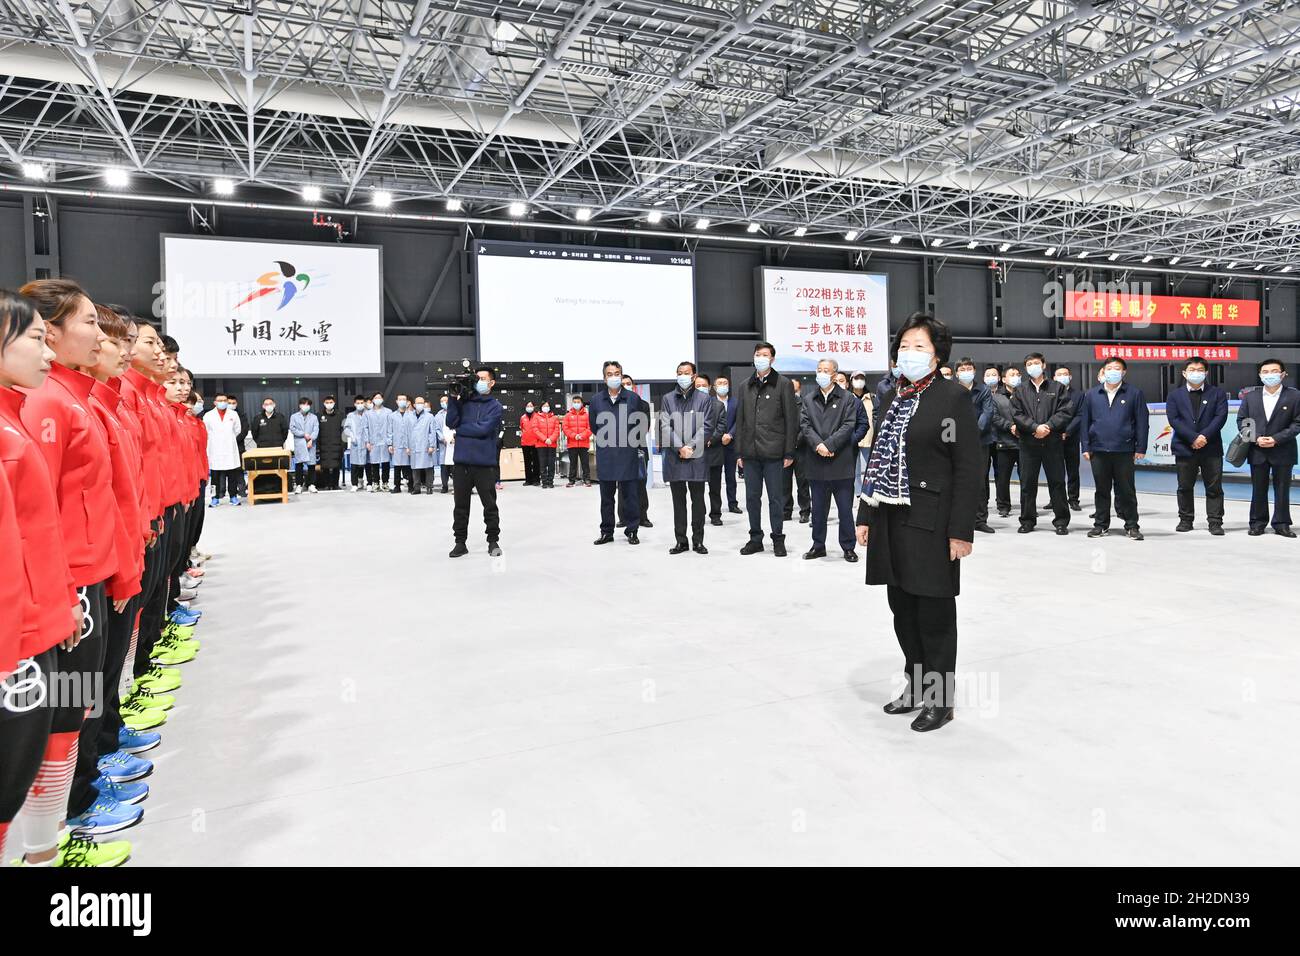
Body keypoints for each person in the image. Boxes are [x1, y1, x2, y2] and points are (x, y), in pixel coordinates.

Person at [16, 280, 137, 849]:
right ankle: (67, 816)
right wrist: (61, 590)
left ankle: (80, 792)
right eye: (88, 322)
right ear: (52, 330)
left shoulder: (73, 399)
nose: (99, 334)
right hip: (68, 585)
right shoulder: (45, 403)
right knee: (68, 701)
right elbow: (34, 517)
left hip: (87, 574)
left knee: (82, 693)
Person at [855, 312, 980, 734]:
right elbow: (877, 459)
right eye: (904, 346)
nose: (910, 353)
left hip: (932, 520)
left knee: (934, 613)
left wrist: (961, 530)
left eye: (920, 347)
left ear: (937, 354)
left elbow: (968, 468)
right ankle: (915, 685)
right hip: (890, 515)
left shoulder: (952, 398)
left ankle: (941, 701)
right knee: (902, 609)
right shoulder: (893, 396)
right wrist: (865, 514)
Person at [734, 341, 798, 556]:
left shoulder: (783, 384)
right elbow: (740, 420)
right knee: (752, 498)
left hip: (774, 453)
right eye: (757, 354)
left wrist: (789, 451)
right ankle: (755, 538)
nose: (760, 358)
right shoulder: (745, 386)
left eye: (765, 355)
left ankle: (778, 538)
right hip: (750, 454)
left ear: (772, 359)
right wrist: (739, 452)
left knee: (775, 498)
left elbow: (791, 420)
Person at [801, 358, 869, 562]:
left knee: (845, 510)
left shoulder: (848, 399)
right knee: (819, 509)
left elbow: (849, 425)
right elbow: (805, 426)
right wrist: (818, 446)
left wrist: (830, 445)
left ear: (834, 373)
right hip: (816, 460)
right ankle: (818, 545)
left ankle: (848, 547)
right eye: (819, 369)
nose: (821, 373)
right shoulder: (808, 398)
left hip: (841, 460)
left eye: (826, 370)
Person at [1079, 357, 1148, 540]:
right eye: (1109, 368)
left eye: (1117, 368)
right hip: (1098, 450)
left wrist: (1140, 447)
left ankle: (1132, 525)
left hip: (1124, 450)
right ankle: (1100, 525)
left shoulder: (1134, 393)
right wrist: (1085, 446)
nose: (1113, 371)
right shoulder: (1092, 394)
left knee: (1126, 490)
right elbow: (1084, 422)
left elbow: (1142, 422)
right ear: (1103, 371)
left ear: (1124, 372)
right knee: (1101, 490)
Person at [659, 362, 719, 554]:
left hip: (697, 456)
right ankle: (681, 541)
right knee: (678, 501)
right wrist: (679, 447)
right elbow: (665, 426)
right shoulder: (668, 398)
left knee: (698, 500)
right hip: (676, 457)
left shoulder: (704, 399)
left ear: (694, 376)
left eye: (686, 373)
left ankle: (698, 540)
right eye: (679, 373)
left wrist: (691, 446)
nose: (682, 376)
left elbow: (708, 426)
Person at [1010, 352, 1072, 534]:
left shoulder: (1058, 387)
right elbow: (1016, 414)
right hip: (1028, 444)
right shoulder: (1020, 390)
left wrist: (1048, 427)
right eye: (1029, 363)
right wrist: (1034, 428)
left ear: (1044, 365)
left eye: (1036, 363)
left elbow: (1065, 411)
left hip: (1052, 443)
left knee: (1057, 483)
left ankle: (1061, 521)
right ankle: (1028, 520)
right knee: (1028, 484)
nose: (1033, 366)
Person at [1237, 359, 1300, 537]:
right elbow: (1242, 420)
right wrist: (1256, 439)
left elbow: (1297, 423)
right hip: (1257, 450)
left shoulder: (1294, 396)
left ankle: (1282, 524)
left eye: (1273, 371)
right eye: (1265, 372)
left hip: (1283, 449)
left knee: (1282, 488)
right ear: (1260, 375)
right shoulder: (1250, 397)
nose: (1269, 375)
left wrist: (1276, 439)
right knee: (1258, 488)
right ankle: (1257, 522)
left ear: (1282, 374)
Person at [446, 368, 504, 557]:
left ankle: (493, 541)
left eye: (483, 378)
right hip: (462, 463)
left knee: (489, 505)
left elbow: (483, 430)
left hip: (484, 464)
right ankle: (460, 542)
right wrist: (453, 399)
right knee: (460, 506)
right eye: (477, 378)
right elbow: (451, 422)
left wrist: (461, 430)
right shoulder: (463, 403)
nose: (479, 381)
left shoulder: (495, 406)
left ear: (491, 383)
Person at [1166, 357, 1227, 534]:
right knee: (1184, 486)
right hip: (1185, 447)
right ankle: (1185, 520)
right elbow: (1174, 420)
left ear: (1206, 373)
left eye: (1200, 370)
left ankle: (1215, 522)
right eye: (1192, 370)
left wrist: (1204, 436)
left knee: (1214, 487)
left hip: (1211, 447)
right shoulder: (1174, 395)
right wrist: (1193, 438)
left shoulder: (1217, 393)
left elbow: (1220, 417)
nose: (1196, 373)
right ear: (1184, 373)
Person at [591, 361, 650, 545]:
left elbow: (641, 425)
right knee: (606, 498)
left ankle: (632, 530)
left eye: (617, 373)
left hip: (628, 454)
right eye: (610, 374)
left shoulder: (633, 399)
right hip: (606, 455)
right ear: (604, 377)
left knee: (630, 496)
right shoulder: (596, 401)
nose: (614, 377)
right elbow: (594, 426)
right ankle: (606, 531)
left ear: (621, 375)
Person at [954, 357, 996, 534]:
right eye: (962, 369)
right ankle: (958, 519)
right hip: (955, 442)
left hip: (980, 441)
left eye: (969, 368)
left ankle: (980, 519)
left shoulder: (983, 390)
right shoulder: (951, 390)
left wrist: (972, 434)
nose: (966, 372)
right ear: (956, 373)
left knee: (979, 481)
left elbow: (987, 413)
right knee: (956, 481)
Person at [615, 373, 653, 528]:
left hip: (639, 449)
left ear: (633, 385)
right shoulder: (615, 404)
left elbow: (644, 427)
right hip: (620, 451)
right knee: (622, 485)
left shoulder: (642, 404)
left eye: (628, 383)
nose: (626, 385)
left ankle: (643, 516)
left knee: (640, 485)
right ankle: (623, 518)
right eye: (623, 383)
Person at [989, 367, 1021, 518]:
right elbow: (994, 417)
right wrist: (1010, 426)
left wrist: (1023, 427)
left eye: (1017, 374)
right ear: (1004, 379)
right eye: (1012, 375)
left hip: (1024, 443)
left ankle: (1028, 505)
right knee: (1003, 477)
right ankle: (1003, 506)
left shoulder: (1025, 394)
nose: (1015, 377)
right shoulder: (996, 397)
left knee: (1027, 477)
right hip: (1004, 442)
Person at [695, 374, 726, 525]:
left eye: (703, 385)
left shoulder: (718, 405)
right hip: (696, 453)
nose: (701, 388)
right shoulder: (689, 405)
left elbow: (721, 426)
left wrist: (710, 439)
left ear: (709, 387)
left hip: (714, 451)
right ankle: (698, 515)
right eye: (697, 386)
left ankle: (716, 514)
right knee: (697, 489)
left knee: (715, 487)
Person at [204, 393, 243, 504]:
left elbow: (237, 430)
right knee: (215, 476)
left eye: (225, 400)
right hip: (215, 449)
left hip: (230, 449)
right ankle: (214, 498)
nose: (223, 402)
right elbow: (206, 431)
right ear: (215, 402)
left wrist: (227, 439)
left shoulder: (233, 414)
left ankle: (233, 497)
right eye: (220, 400)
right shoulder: (208, 415)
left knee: (232, 476)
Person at [1054, 366, 1084, 511]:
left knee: (1073, 470)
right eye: (1059, 374)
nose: (1062, 376)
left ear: (1070, 377)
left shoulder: (1078, 395)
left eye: (1065, 374)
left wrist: (1067, 431)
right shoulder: (1050, 393)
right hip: (1053, 437)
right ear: (1054, 378)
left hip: (1071, 438)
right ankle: (1056, 499)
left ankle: (1073, 498)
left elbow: (1080, 415)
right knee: (1055, 470)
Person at [783, 378, 812, 524]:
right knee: (784, 483)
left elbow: (806, 426)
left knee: (802, 483)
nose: (792, 392)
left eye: (794, 389)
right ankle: (786, 510)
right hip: (783, 450)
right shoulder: (780, 404)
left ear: (799, 390)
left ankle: (805, 511)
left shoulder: (805, 404)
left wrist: (794, 443)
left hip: (801, 449)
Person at [716, 375, 742, 515]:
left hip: (731, 445)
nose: (723, 385)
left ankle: (733, 503)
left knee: (731, 476)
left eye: (725, 383)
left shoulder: (735, 402)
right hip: (715, 446)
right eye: (720, 383)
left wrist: (730, 435)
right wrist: (718, 437)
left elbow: (739, 421)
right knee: (715, 479)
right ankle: (716, 507)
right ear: (714, 387)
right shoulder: (710, 402)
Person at [849, 371, 874, 489]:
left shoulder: (872, 397)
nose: (859, 380)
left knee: (871, 467)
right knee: (854, 468)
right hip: (853, 438)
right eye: (856, 378)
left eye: (861, 378)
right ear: (851, 380)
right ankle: (858, 491)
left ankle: (869, 490)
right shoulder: (847, 398)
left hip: (869, 437)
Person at [289, 397, 319, 494]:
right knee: (299, 465)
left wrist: (311, 439)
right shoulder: (294, 416)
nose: (305, 406)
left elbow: (316, 430)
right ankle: (299, 485)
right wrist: (303, 434)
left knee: (311, 465)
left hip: (311, 444)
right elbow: (292, 428)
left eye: (308, 404)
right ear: (300, 405)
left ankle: (311, 484)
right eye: (304, 404)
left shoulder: (314, 417)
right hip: (300, 443)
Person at [365, 391, 393, 492]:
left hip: (385, 441)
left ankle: (385, 483)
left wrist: (390, 442)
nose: (377, 399)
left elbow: (390, 427)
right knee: (374, 463)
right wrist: (367, 441)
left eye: (379, 397)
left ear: (382, 399)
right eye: (375, 397)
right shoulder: (367, 413)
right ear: (372, 400)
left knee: (386, 463)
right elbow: (365, 428)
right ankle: (375, 483)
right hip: (373, 442)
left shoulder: (388, 412)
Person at [316, 394, 344, 490]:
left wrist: (343, 445)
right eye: (327, 403)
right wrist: (318, 446)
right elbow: (317, 432)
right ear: (324, 403)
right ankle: (327, 484)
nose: (329, 404)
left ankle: (335, 484)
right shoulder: (319, 415)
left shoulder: (340, 415)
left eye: (331, 402)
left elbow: (344, 431)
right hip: (324, 445)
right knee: (325, 467)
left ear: (334, 403)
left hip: (337, 445)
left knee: (336, 466)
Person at [408, 396, 437, 494]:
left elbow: (432, 432)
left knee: (428, 467)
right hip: (413, 445)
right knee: (415, 467)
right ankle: (416, 488)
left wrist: (431, 445)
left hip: (425, 444)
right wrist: (407, 446)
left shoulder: (429, 416)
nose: (420, 404)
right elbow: (406, 432)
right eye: (418, 403)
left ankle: (429, 487)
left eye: (422, 403)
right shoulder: (409, 416)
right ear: (414, 405)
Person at [563, 394, 591, 486]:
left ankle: (587, 479)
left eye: (578, 402)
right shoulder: (568, 415)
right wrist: (574, 436)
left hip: (584, 443)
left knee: (585, 463)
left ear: (582, 403)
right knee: (573, 463)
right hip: (572, 443)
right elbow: (565, 428)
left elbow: (590, 428)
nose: (576, 404)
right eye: (574, 402)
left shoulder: (587, 415)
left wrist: (582, 436)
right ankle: (572, 480)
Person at [389, 394, 414, 493]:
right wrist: (390, 444)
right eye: (400, 399)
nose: (402, 401)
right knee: (397, 467)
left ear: (407, 402)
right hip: (397, 445)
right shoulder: (392, 416)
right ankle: (397, 486)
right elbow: (389, 430)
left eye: (404, 399)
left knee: (409, 467)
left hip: (409, 445)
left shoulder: (412, 415)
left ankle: (411, 486)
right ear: (397, 401)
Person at [534, 400, 560, 488]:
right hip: (541, 444)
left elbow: (557, 430)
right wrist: (545, 439)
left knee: (551, 463)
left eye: (547, 406)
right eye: (544, 406)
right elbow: (536, 430)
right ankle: (544, 481)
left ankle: (550, 481)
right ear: (541, 407)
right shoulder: (536, 417)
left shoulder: (555, 418)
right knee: (543, 464)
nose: (546, 407)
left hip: (552, 444)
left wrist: (551, 439)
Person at [344, 396, 368, 491]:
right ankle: (354, 484)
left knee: (365, 463)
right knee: (354, 464)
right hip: (355, 443)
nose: (360, 405)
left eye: (362, 403)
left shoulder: (368, 414)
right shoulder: (350, 415)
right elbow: (346, 428)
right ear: (354, 404)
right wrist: (351, 435)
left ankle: (363, 482)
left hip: (366, 442)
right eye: (358, 403)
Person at [519, 400, 540, 486]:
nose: (529, 407)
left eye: (531, 406)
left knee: (536, 462)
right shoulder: (522, 417)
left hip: (535, 443)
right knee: (527, 462)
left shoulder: (537, 416)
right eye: (528, 406)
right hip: (525, 443)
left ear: (534, 407)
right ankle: (528, 480)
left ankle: (536, 480)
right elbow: (521, 428)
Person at [433, 395, 450, 493]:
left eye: (446, 401)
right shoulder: (438, 415)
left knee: (454, 467)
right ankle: (445, 486)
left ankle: (457, 486)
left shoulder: (455, 412)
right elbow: (437, 429)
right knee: (444, 467)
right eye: (441, 401)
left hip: (454, 443)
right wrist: (442, 438)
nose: (444, 403)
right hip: (443, 444)